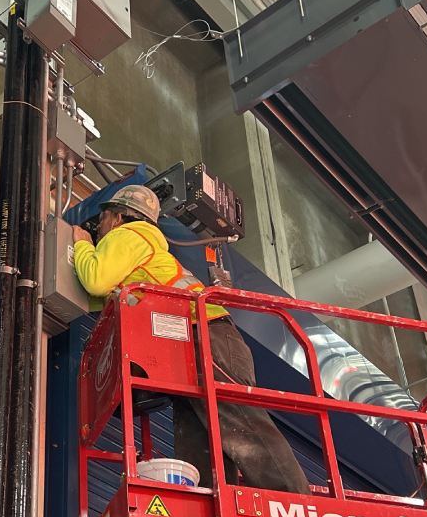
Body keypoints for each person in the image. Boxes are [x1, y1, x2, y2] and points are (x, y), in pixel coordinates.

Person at [72, 184, 310, 495]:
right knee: (200, 440)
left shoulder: (132, 234)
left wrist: (81, 245)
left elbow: (95, 279)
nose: (99, 230)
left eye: (101, 222)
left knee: (241, 424)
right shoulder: (137, 263)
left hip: (205, 336)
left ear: (117, 218)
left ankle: (295, 506)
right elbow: (96, 293)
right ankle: (212, 506)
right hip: (190, 343)